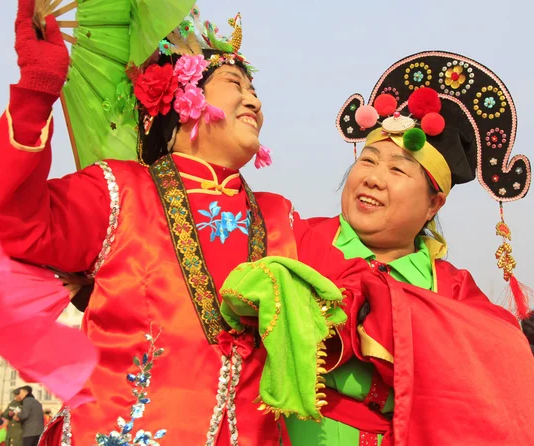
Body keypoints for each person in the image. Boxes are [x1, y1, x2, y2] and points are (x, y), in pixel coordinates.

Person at [0, 1, 297, 445]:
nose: (253, 99)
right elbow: (10, 222)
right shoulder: (117, 192)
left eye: (254, 89)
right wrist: (37, 90)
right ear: (183, 98)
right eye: (234, 83)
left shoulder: (282, 217)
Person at [219, 51, 534, 445]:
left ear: (433, 203)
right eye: (368, 161)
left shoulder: (452, 289)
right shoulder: (292, 239)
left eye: (397, 170)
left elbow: (500, 367)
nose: (373, 179)